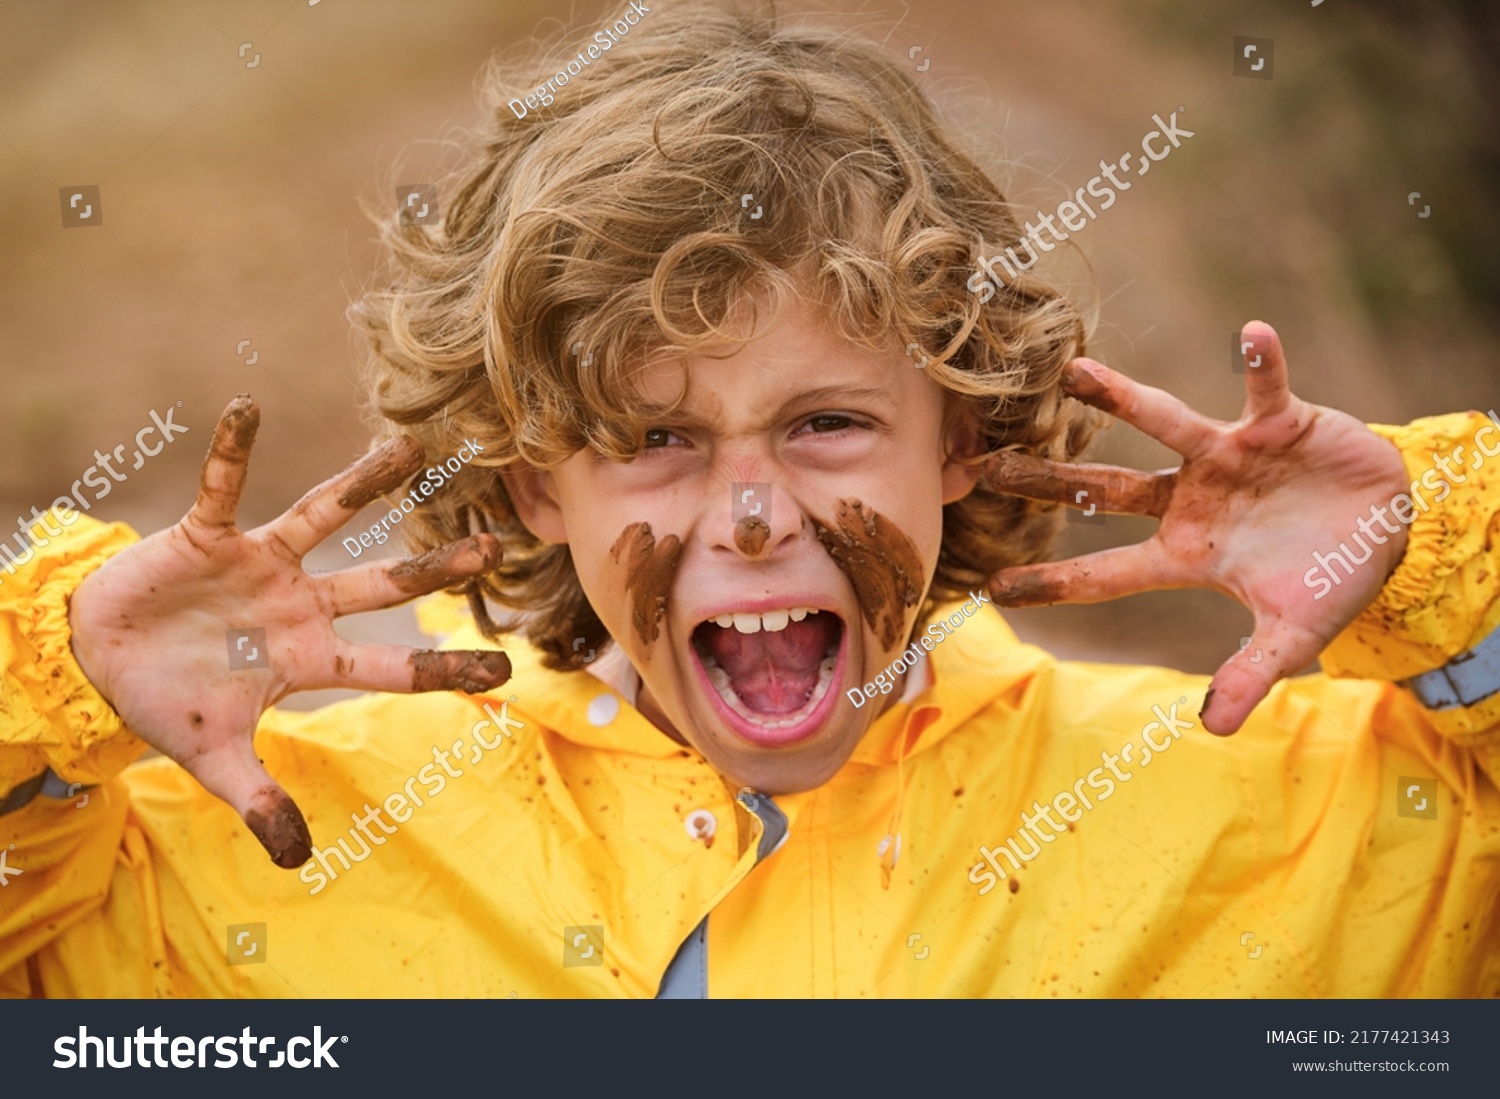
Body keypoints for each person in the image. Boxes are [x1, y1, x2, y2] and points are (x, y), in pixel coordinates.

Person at [2, 4, 1496, 998]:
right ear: (534, 484)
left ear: (959, 442)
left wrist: (1427, 561)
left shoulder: (1254, 812)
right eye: (655, 440)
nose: (758, 517)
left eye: (829, 421)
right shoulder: (263, 850)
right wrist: (55, 692)